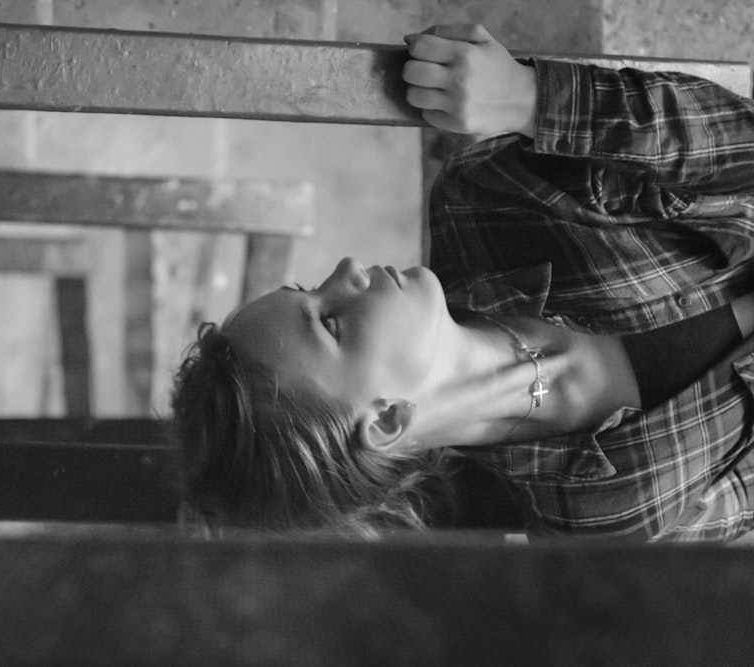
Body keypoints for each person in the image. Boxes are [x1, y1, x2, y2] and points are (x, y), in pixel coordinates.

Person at [171, 24, 754, 541]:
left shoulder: (484, 204)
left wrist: (532, 98)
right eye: (330, 320)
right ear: (386, 420)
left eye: (307, 286)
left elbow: (739, 148)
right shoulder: (600, 514)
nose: (346, 269)